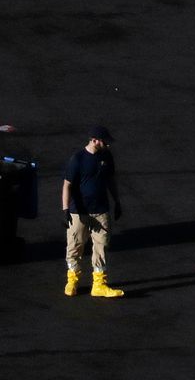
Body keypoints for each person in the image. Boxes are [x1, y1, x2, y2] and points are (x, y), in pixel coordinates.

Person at [61, 125, 124, 299]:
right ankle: (72, 280)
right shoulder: (78, 159)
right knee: (75, 247)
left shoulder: (107, 156)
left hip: (101, 211)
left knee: (101, 246)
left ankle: (99, 284)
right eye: (105, 142)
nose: (108, 145)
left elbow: (111, 180)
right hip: (79, 213)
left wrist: (117, 202)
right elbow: (67, 185)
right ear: (95, 141)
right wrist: (66, 210)